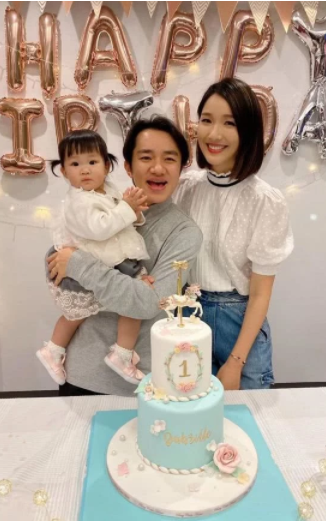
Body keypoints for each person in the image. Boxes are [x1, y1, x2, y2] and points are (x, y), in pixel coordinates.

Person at [47, 117, 203, 396]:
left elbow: (149, 303)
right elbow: (57, 268)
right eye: (146, 157)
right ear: (128, 166)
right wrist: (124, 289)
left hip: (142, 382)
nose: (158, 168)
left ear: (182, 168)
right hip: (80, 373)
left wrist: (79, 265)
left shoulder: (184, 232)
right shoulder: (101, 205)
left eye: (169, 159)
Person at [174, 78, 294, 390]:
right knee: (190, 410)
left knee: (244, 415)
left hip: (239, 324)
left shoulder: (264, 200)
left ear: (248, 131)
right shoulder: (185, 188)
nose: (214, 134)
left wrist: (236, 361)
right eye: (206, 120)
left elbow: (260, 294)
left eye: (229, 123)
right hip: (189, 315)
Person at [37, 130, 153, 386]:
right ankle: (116, 354)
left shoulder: (107, 190)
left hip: (104, 261)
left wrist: (134, 211)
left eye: (92, 162)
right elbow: (100, 228)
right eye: (75, 164)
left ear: (107, 166)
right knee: (93, 311)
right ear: (64, 172)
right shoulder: (79, 201)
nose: (85, 170)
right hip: (88, 264)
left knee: (90, 312)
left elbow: (122, 221)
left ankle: (59, 349)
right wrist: (127, 208)